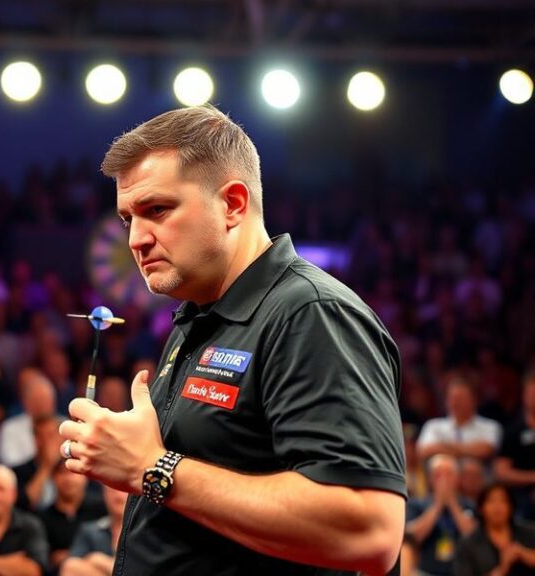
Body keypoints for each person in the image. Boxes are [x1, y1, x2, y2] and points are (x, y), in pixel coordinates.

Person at [58, 106, 406, 575]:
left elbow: (369, 529)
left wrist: (154, 468)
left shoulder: (311, 313)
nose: (136, 239)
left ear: (233, 204)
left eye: (156, 209)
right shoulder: (198, 318)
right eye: (127, 220)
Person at [406, 455, 477, 575]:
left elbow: (474, 537)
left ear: (457, 478)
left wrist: (452, 504)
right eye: (438, 475)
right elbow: (412, 538)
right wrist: (438, 505)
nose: (444, 480)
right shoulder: (416, 504)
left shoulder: (468, 505)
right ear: (430, 479)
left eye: (449, 474)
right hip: (424, 571)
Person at [417, 374, 502, 465]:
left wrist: (442, 446)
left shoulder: (490, 426)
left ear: (474, 400)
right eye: (452, 398)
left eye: (461, 398)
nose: (456, 402)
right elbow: (423, 450)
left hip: (478, 478)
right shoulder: (433, 425)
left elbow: (485, 451)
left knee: (471, 468)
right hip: (442, 477)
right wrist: (470, 450)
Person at [453, 483, 535, 575]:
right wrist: (501, 569)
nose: (497, 507)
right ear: (481, 508)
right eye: (491, 501)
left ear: (511, 507)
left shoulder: (530, 533)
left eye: (503, 501)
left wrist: (523, 554)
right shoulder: (468, 544)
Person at [59, 486, 127, 576]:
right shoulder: (90, 531)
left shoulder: (144, 531)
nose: (118, 495)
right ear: (104, 495)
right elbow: (70, 568)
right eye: (112, 491)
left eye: (123, 491)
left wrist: (98, 560)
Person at [494, 372, 535, 521]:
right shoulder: (513, 431)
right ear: (524, 397)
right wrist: (532, 478)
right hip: (521, 496)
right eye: (531, 392)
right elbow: (501, 472)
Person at [0, 369, 57, 468]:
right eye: (37, 401)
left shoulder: (64, 426)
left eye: (45, 400)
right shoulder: (10, 428)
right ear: (25, 403)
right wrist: (45, 460)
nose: (42, 406)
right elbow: (11, 465)